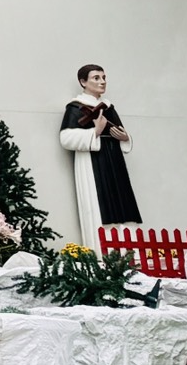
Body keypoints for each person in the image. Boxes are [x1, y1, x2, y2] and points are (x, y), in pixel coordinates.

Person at [60, 63, 141, 240]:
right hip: (93, 160)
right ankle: (104, 250)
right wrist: (95, 132)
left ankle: (129, 249)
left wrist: (124, 137)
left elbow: (121, 131)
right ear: (83, 82)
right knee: (99, 203)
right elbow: (66, 138)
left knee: (122, 201)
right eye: (96, 78)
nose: (102, 82)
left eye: (104, 78)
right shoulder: (75, 107)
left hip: (114, 159)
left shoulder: (108, 107)